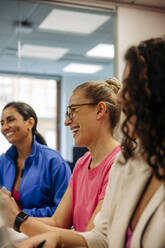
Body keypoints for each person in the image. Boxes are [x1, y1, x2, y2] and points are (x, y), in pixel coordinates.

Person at [16, 37, 165, 248]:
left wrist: (17, 218)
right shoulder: (128, 163)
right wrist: (55, 237)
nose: (120, 98)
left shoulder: (116, 161)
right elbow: (102, 237)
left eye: (132, 86)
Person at [0, 78, 121, 236]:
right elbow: (58, 222)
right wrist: (11, 217)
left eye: (72, 111)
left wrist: (17, 217)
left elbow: (92, 241)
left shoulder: (119, 164)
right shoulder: (82, 163)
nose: (66, 121)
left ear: (100, 110)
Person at [0, 101, 71, 218]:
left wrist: (20, 215)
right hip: (9, 231)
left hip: (42, 231)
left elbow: (64, 213)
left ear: (30, 123)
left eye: (10, 120)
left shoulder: (54, 161)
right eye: (2, 123)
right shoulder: (3, 162)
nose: (5, 127)